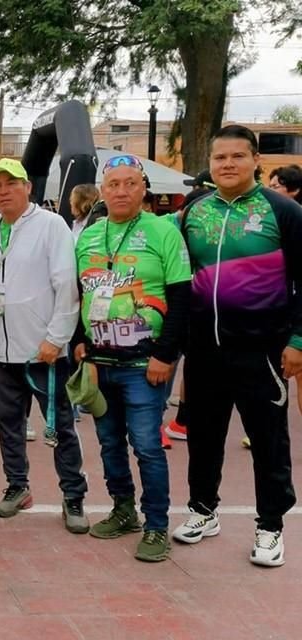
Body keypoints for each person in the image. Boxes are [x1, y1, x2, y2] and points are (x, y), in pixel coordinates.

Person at [173, 126, 302, 567]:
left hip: (262, 351)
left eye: (237, 156)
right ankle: (203, 511)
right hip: (204, 350)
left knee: (268, 441)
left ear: (255, 162)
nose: (227, 164)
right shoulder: (193, 212)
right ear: (210, 164)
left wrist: (298, 341)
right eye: (219, 157)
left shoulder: (283, 211)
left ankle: (270, 526)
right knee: (204, 437)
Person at [73, 153, 191, 562]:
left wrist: (166, 354)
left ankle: (156, 524)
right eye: (113, 184)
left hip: (145, 363)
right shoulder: (90, 234)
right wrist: (79, 341)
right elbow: (80, 292)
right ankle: (123, 510)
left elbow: (180, 298)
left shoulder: (164, 231)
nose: (121, 191)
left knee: (146, 445)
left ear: (144, 189)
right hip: (101, 361)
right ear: (102, 191)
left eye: (129, 183)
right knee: (108, 443)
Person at [0, 158, 88, 533]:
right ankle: (17, 486)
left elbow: (66, 286)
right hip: (3, 351)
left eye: (12, 183)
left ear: (28, 187)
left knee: (59, 428)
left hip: (45, 352)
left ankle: (73, 495)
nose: (3, 191)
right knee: (10, 425)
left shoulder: (50, 226)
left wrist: (56, 339)